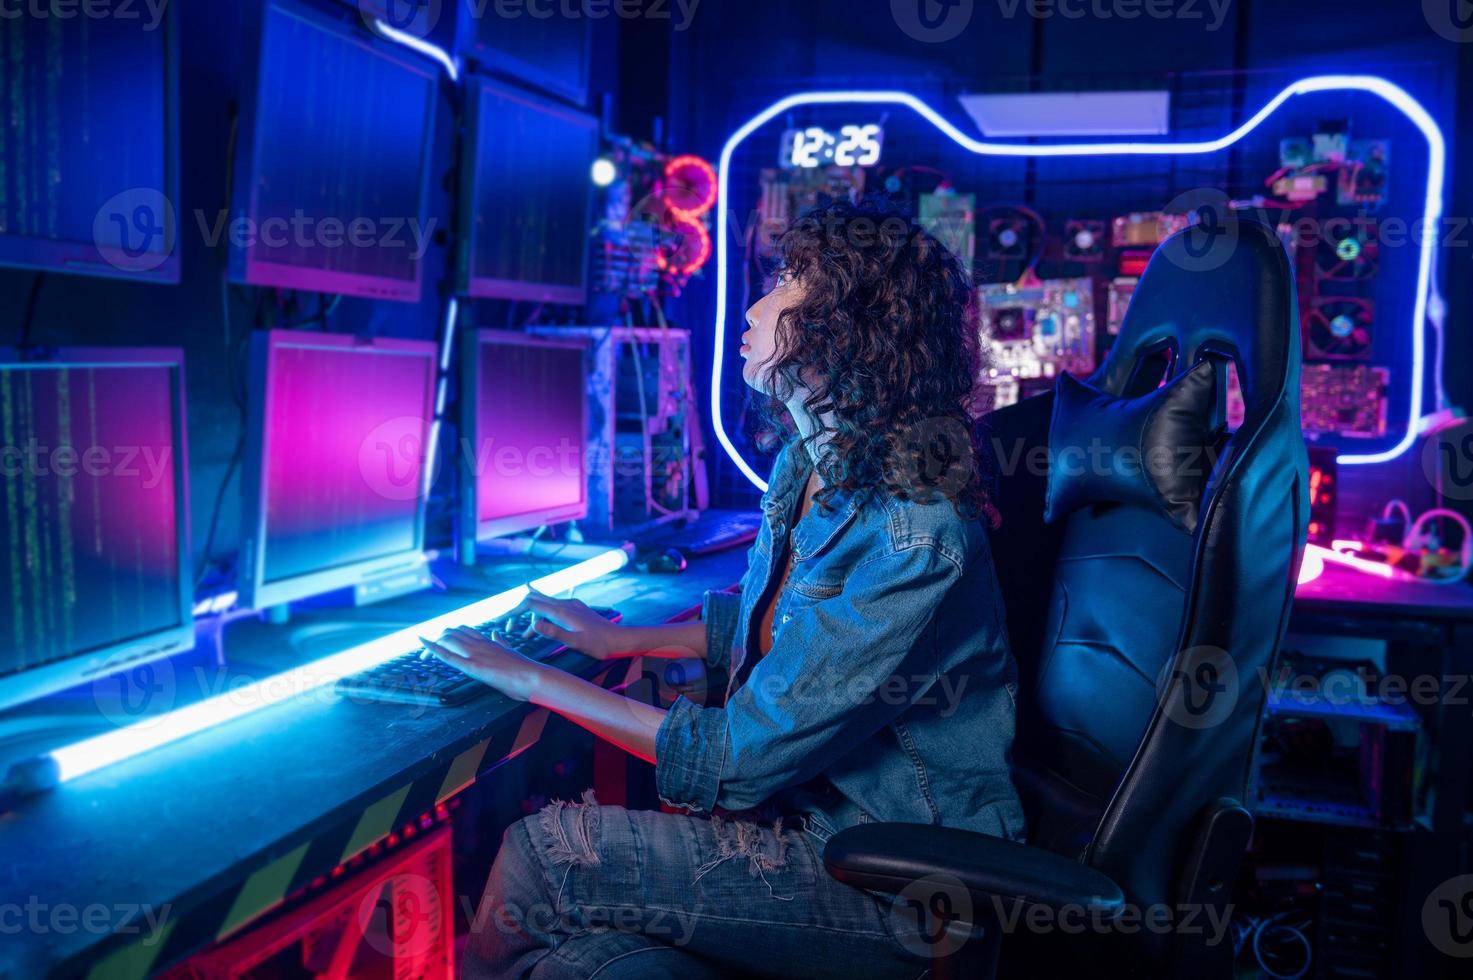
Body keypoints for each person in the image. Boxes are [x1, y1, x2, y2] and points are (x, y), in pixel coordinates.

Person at [426, 197, 1025, 979]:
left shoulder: (915, 532)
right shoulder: (811, 464)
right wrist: (622, 640)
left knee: (543, 856)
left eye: (788, 281)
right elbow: (788, 630)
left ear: (848, 324)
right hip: (808, 830)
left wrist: (533, 680)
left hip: (895, 888)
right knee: (579, 966)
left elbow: (736, 761)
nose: (751, 306)